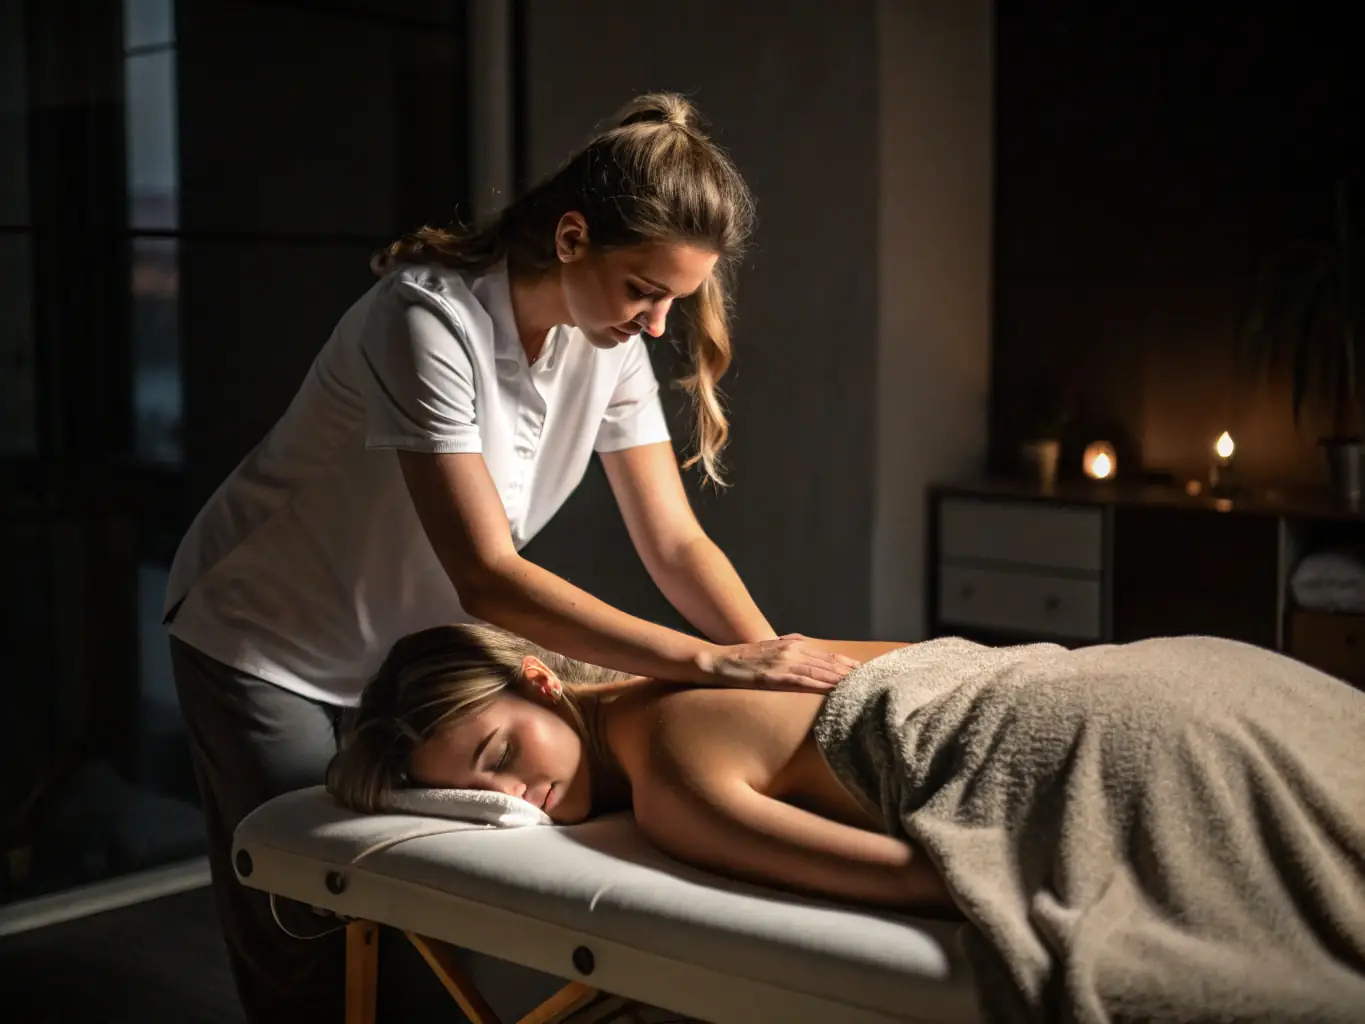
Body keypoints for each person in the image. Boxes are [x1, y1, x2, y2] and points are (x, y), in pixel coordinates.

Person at [163, 91, 859, 1024]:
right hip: (265, 640)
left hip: (408, 660)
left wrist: (783, 673)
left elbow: (675, 539)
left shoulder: (604, 341)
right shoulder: (421, 323)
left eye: (673, 301)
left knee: (413, 914)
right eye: (643, 290)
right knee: (302, 923)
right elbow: (484, 573)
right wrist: (711, 661)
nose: (657, 324)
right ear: (572, 238)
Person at [328, 623, 1365, 1023]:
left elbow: (916, 880)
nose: (516, 799)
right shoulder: (751, 654)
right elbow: (936, 652)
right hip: (1156, 667)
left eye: (500, 755)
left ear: (541, 681)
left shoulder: (674, 786)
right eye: (480, 795)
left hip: (1086, 734)